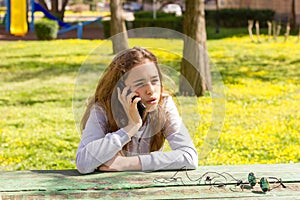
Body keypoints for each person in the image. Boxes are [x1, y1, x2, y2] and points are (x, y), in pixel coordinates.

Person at [76, 47, 198, 174]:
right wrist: (130, 127)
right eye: (140, 83)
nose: (150, 90)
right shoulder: (102, 109)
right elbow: (83, 162)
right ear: (122, 89)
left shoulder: (164, 104)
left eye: (155, 80)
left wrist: (126, 164)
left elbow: (189, 157)